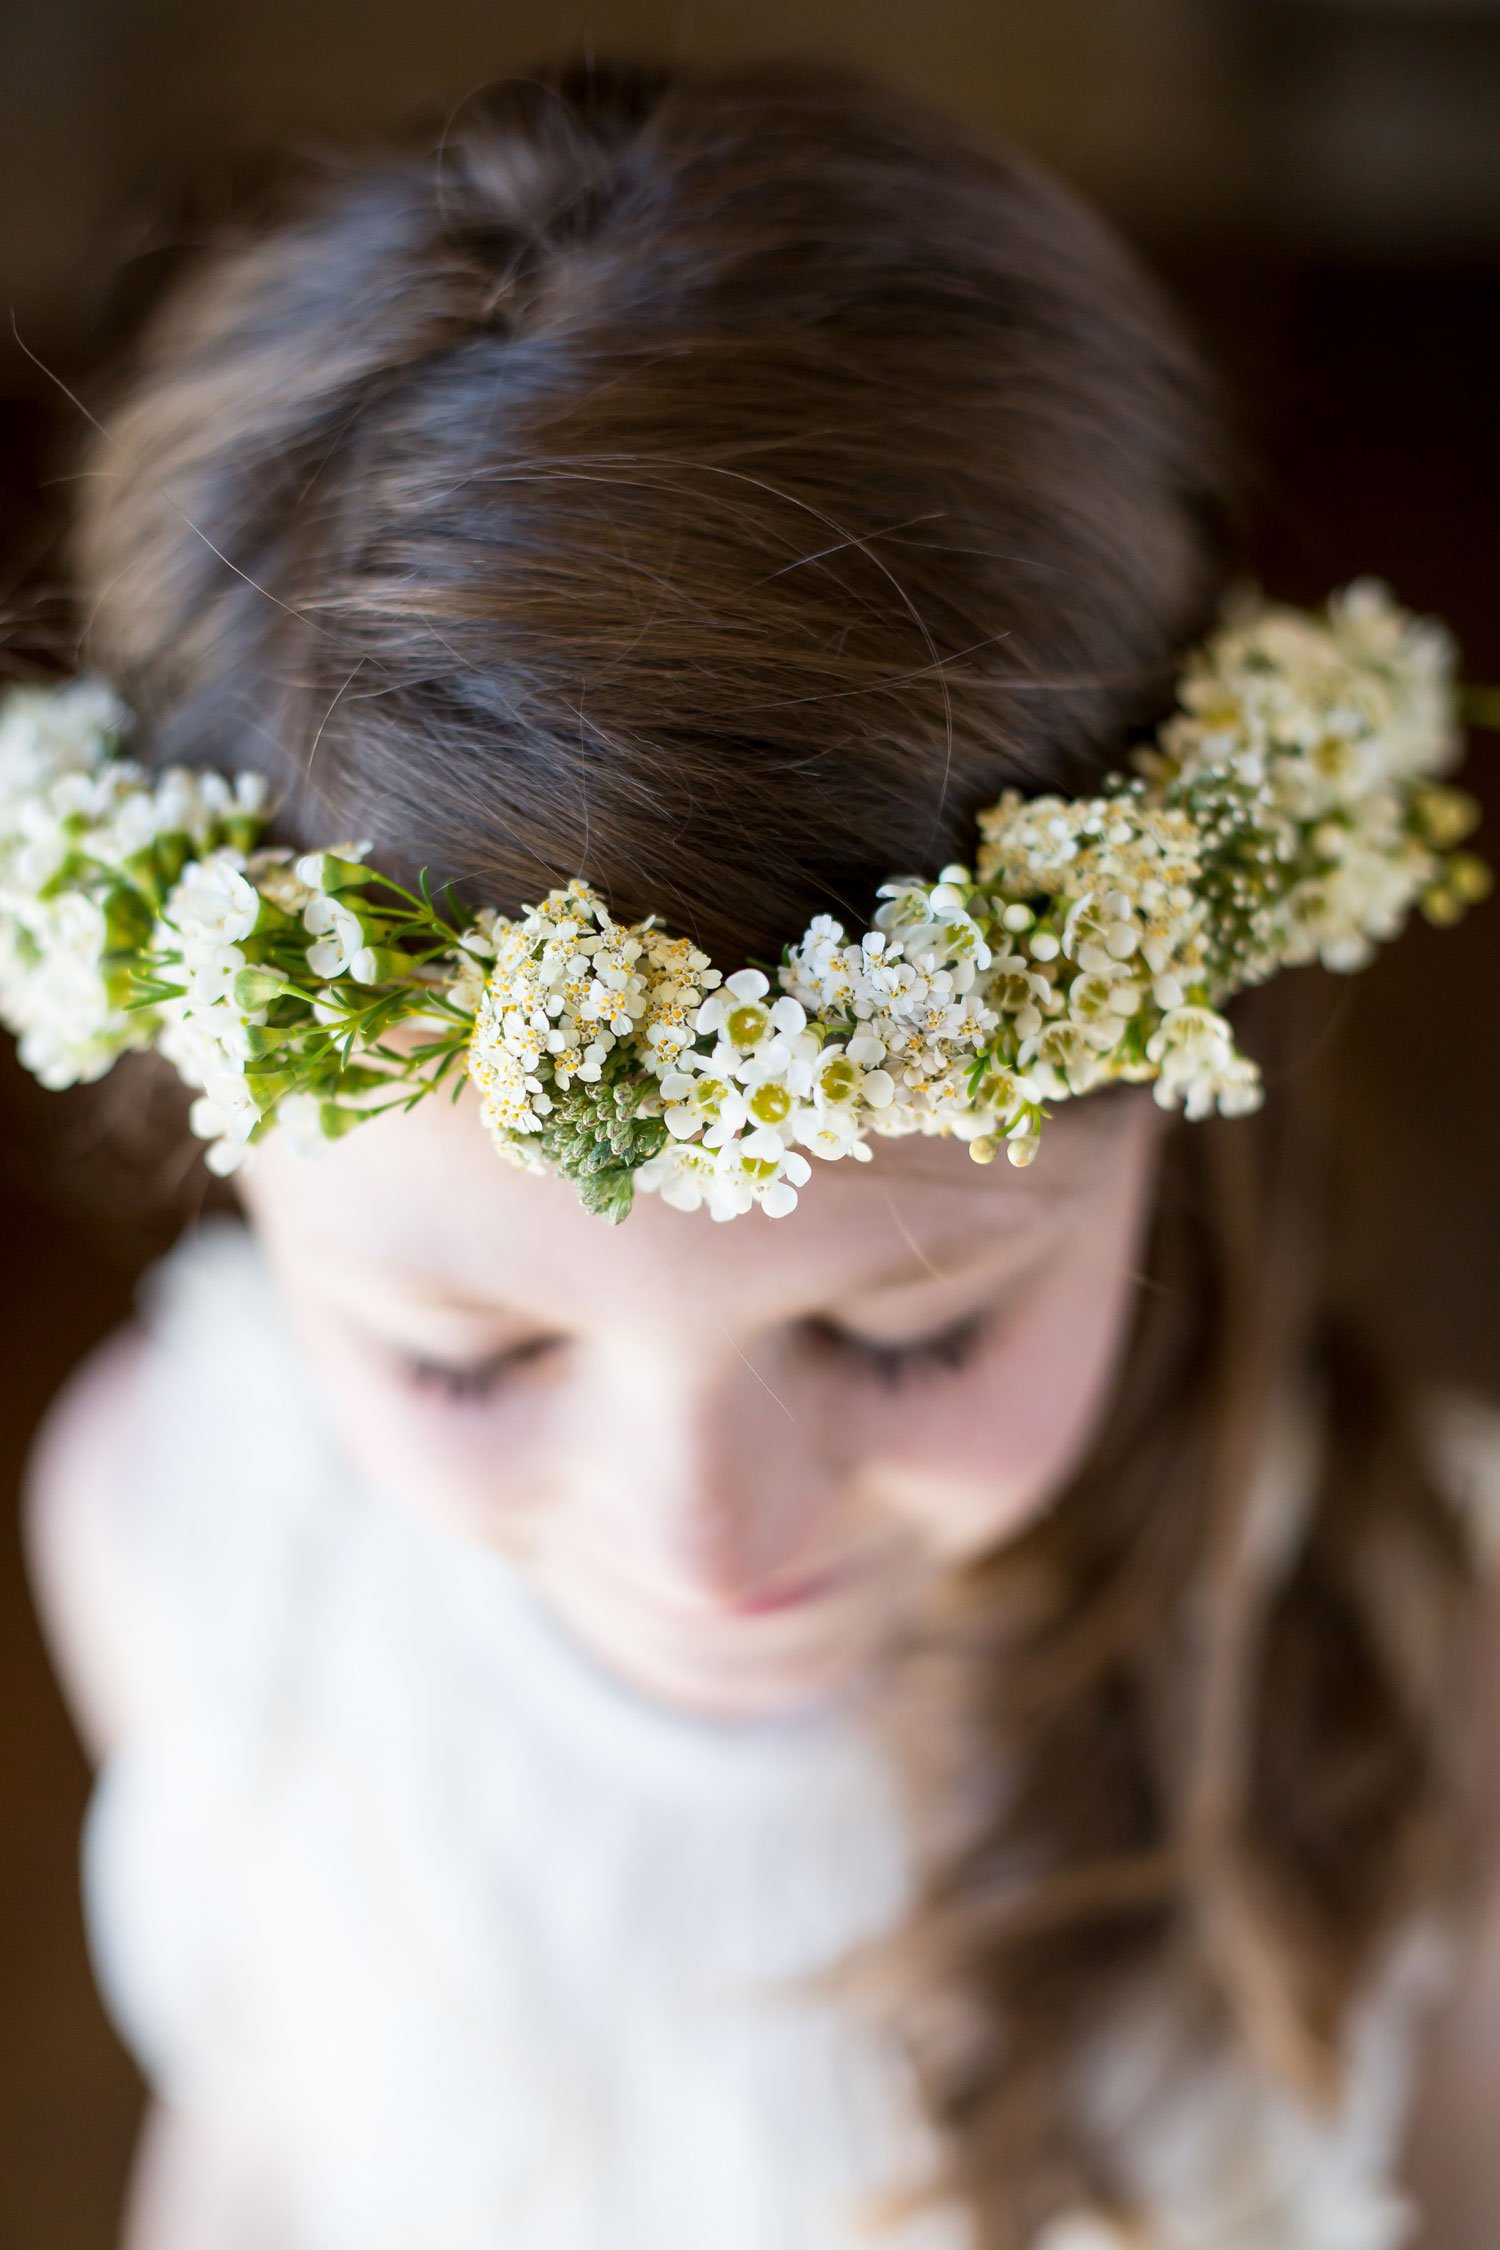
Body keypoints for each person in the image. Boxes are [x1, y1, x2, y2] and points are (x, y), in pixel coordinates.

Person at [11, 56, 1500, 2250]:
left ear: (1177, 1090)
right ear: (240, 1164)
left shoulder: (1420, 1639)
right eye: (467, 1359)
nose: (706, 1546)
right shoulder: (190, 1544)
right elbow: (271, 2132)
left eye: (909, 1337)